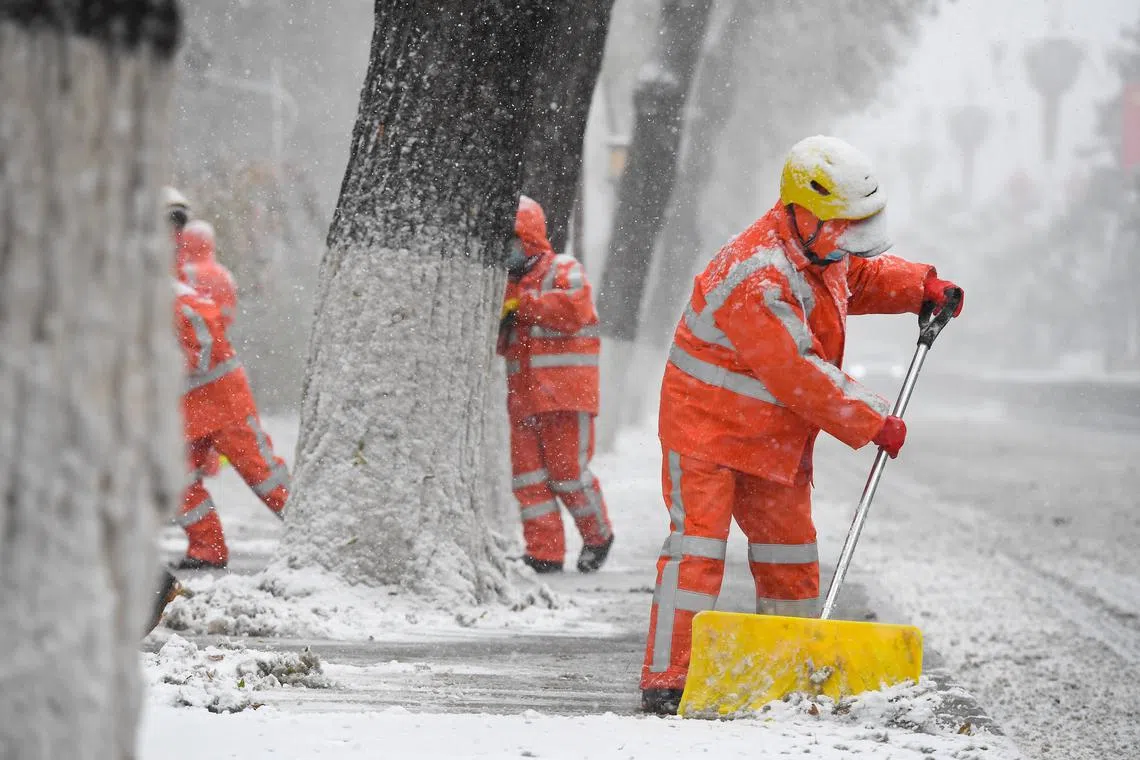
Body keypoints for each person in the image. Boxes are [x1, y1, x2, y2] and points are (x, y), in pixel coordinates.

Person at [639, 136, 965, 715]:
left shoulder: (821, 252)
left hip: (770, 437)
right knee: (698, 553)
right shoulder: (756, 276)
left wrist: (921, 286)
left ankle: (787, 668)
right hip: (705, 432)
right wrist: (873, 421)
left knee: (790, 556)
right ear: (802, 210)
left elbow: (858, 278)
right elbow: (799, 372)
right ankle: (668, 676)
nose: (849, 241)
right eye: (842, 226)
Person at [497, 196, 615, 574]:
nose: (508, 251)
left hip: (567, 396)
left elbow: (574, 310)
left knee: (569, 475)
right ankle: (544, 553)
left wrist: (522, 302)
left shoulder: (564, 269)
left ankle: (598, 536)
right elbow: (505, 344)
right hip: (524, 398)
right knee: (529, 479)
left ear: (529, 238)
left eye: (513, 240)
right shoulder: (507, 287)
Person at [173, 279, 290, 569]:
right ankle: (207, 549)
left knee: (263, 475)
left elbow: (200, 350)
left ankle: (310, 531)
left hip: (226, 405)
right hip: (190, 413)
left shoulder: (173, 301)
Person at [177, 219, 237, 329]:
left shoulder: (185, 272)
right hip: (218, 338)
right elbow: (229, 311)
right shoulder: (225, 274)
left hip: (190, 339)